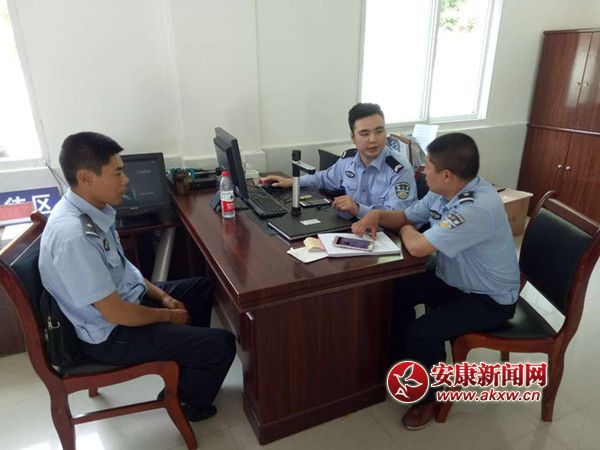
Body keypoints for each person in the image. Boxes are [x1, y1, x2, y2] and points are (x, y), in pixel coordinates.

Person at [39, 131, 236, 421]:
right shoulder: (74, 236)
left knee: (201, 288)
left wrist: (164, 297)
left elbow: (124, 271)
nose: (126, 180)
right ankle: (186, 403)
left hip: (124, 305)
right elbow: (116, 313)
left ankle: (187, 367)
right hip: (110, 335)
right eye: (117, 173)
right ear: (86, 177)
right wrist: (168, 317)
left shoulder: (93, 210)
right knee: (222, 344)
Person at [352, 132, 519, 430]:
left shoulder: (476, 208)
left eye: (427, 166)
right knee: (395, 288)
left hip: (488, 298)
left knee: (422, 332)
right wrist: (377, 214)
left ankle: (428, 398)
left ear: (446, 174)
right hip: (452, 278)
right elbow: (407, 215)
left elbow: (417, 246)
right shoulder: (444, 190)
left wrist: (407, 229)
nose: (422, 170)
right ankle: (398, 357)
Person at [259, 103, 417, 218]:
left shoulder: (399, 169)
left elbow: (399, 217)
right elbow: (323, 178)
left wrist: (357, 209)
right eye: (364, 134)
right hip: (355, 228)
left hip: (387, 237)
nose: (373, 139)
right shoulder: (349, 160)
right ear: (352, 137)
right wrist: (292, 182)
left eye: (379, 131)